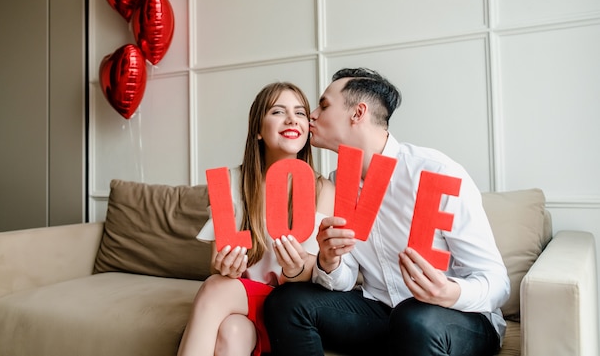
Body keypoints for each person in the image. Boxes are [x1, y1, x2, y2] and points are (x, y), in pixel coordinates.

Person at [263, 68, 510, 356]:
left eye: (324, 105)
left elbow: (497, 282)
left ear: (358, 113)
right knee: (285, 301)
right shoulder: (339, 182)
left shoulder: (435, 172)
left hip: (456, 318)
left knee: (415, 317)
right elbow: (345, 279)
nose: (312, 115)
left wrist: (450, 292)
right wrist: (329, 262)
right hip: (384, 314)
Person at [177, 82, 335, 356]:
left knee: (215, 289)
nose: (291, 119)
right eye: (277, 111)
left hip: (290, 305)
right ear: (258, 130)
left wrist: (295, 267)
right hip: (243, 301)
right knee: (231, 332)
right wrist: (227, 267)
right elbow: (220, 265)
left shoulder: (323, 189)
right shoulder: (230, 181)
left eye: (300, 113)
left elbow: (315, 273)